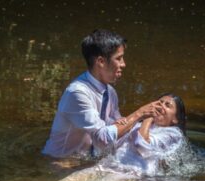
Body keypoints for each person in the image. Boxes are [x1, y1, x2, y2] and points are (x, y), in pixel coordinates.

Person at [52, 94, 187, 181]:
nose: (161, 106)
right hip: (109, 164)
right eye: (160, 102)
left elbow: (142, 145)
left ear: (175, 119)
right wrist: (123, 124)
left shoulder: (174, 134)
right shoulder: (138, 125)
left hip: (132, 172)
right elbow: (111, 143)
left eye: (167, 105)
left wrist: (147, 118)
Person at [42, 29, 164, 160]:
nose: (124, 64)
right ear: (101, 61)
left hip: (84, 161)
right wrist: (140, 114)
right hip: (58, 162)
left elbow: (118, 127)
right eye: (119, 58)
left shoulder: (110, 92)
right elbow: (103, 138)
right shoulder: (77, 93)